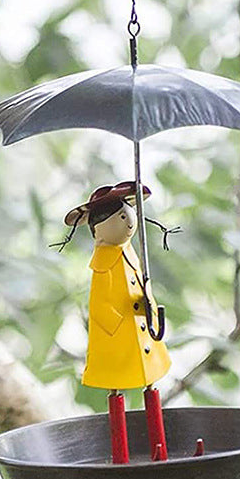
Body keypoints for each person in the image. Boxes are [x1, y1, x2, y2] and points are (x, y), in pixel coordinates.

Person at [63, 181, 172, 463]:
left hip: (143, 331)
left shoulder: (130, 253)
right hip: (119, 338)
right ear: (99, 229)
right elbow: (102, 305)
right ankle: (121, 454)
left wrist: (145, 300)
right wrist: (129, 310)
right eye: (121, 217)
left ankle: (160, 449)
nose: (129, 222)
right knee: (117, 389)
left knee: (150, 384)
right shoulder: (103, 263)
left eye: (128, 214)